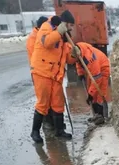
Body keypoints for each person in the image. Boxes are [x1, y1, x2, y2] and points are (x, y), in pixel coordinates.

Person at [30, 10, 80, 143]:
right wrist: (58, 32)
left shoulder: (65, 37)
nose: (71, 28)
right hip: (42, 72)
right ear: (65, 23)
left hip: (56, 75)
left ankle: (59, 131)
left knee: (58, 104)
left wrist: (74, 54)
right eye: (70, 25)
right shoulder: (47, 26)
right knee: (43, 103)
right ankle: (35, 131)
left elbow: (68, 59)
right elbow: (46, 42)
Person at [26, 16, 55, 130]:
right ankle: (47, 123)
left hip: (46, 71)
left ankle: (52, 122)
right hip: (39, 72)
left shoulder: (38, 35)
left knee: (51, 97)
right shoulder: (34, 39)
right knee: (43, 99)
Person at [73, 42, 112, 121]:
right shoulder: (78, 52)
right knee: (92, 94)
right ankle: (96, 115)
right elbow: (78, 62)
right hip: (93, 71)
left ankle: (103, 116)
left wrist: (90, 94)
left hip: (102, 69)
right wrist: (80, 73)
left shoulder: (90, 58)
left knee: (100, 93)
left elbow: (97, 79)